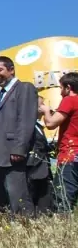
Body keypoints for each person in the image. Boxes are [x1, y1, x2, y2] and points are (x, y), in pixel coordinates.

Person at [0, 56, 40, 217]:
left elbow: (26, 119)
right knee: (3, 203)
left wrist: (19, 148)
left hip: (13, 154)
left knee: (18, 198)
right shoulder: (1, 96)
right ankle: (9, 236)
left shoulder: (24, 88)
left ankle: (25, 231)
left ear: (11, 69)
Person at [40, 72, 78, 211]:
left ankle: (64, 229)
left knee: (63, 197)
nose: (61, 93)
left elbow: (51, 124)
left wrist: (45, 111)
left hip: (70, 154)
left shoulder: (70, 100)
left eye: (61, 88)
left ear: (68, 87)